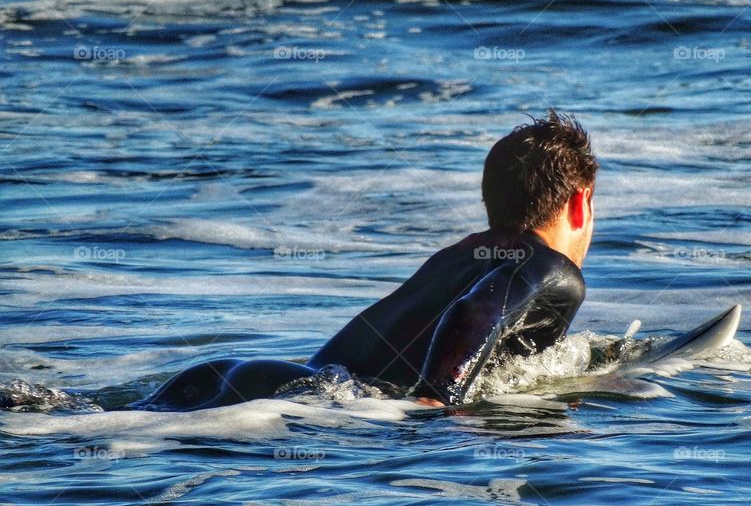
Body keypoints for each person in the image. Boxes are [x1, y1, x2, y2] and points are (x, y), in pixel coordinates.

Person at [140, 110, 597, 410]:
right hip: (292, 397)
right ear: (581, 203)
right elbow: (478, 309)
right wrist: (439, 402)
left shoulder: (461, 255)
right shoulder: (553, 271)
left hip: (241, 377)